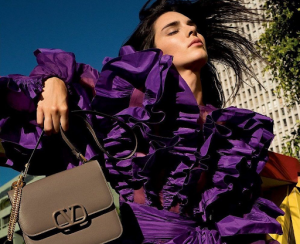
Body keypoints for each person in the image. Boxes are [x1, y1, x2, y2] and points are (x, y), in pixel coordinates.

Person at [0, 0, 284, 243]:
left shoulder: (231, 132)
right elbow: (42, 98)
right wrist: (51, 81)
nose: (191, 31)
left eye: (191, 26)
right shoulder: (122, 105)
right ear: (153, 52)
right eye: (173, 30)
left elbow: (236, 216)